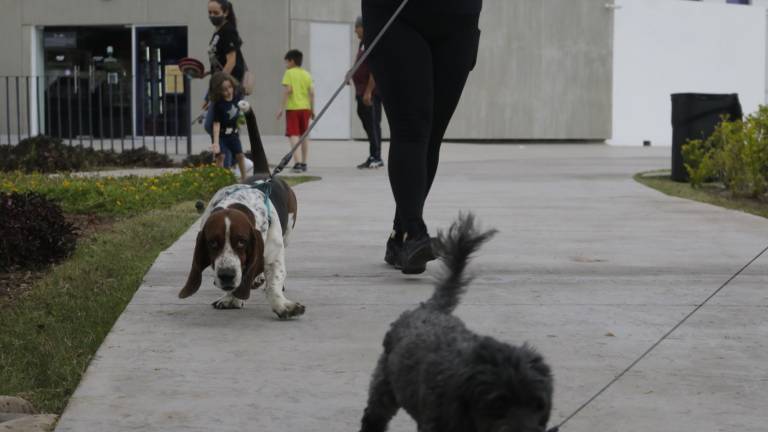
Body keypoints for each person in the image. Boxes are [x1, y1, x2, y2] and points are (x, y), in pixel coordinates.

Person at [363, 0, 482, 274]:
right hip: (396, 14)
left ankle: (401, 236)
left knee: (432, 134)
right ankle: (415, 233)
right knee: (412, 127)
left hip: (460, 19)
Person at [202, 0, 246, 145]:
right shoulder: (218, 32)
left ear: (225, 12)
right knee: (218, 126)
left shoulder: (228, 30)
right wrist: (207, 72)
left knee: (216, 125)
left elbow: (231, 61)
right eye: (209, 12)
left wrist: (216, 88)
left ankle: (231, 159)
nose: (212, 16)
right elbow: (220, 61)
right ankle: (230, 159)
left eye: (216, 12)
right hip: (219, 81)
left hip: (228, 85)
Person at [352, 16, 384, 170]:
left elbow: (374, 69)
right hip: (360, 91)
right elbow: (360, 64)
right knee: (367, 123)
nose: (355, 30)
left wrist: (369, 91)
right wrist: (350, 73)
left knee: (373, 124)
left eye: (356, 27)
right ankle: (372, 154)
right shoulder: (362, 44)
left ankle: (377, 157)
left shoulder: (371, 41)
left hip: (370, 93)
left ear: (363, 27)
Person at [277, 49, 315, 173]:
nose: (286, 65)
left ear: (291, 61)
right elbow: (312, 93)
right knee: (304, 136)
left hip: (293, 108)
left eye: (286, 62)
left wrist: (281, 108)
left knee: (293, 134)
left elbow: (288, 90)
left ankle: (297, 163)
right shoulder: (307, 74)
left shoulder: (289, 73)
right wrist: (312, 109)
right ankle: (304, 163)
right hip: (305, 108)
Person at [209, 72, 248, 182]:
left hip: (233, 134)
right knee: (220, 157)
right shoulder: (218, 104)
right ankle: (219, 180)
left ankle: (245, 179)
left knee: (240, 155)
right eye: (224, 89)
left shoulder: (237, 97)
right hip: (221, 135)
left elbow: (245, 89)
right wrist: (216, 143)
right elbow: (216, 124)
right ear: (219, 91)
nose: (228, 91)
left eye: (230, 87)